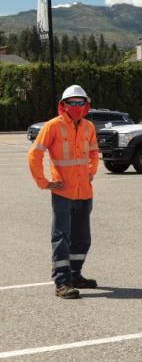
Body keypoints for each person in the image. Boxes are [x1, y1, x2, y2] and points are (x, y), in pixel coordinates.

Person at [28, 85, 99, 299]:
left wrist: (91, 172)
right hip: (63, 193)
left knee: (82, 239)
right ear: (63, 105)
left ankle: (75, 275)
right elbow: (34, 155)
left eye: (80, 102)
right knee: (61, 238)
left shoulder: (89, 127)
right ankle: (62, 283)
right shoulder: (53, 126)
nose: (76, 106)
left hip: (84, 193)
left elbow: (94, 153)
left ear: (85, 104)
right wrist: (44, 182)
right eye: (72, 103)